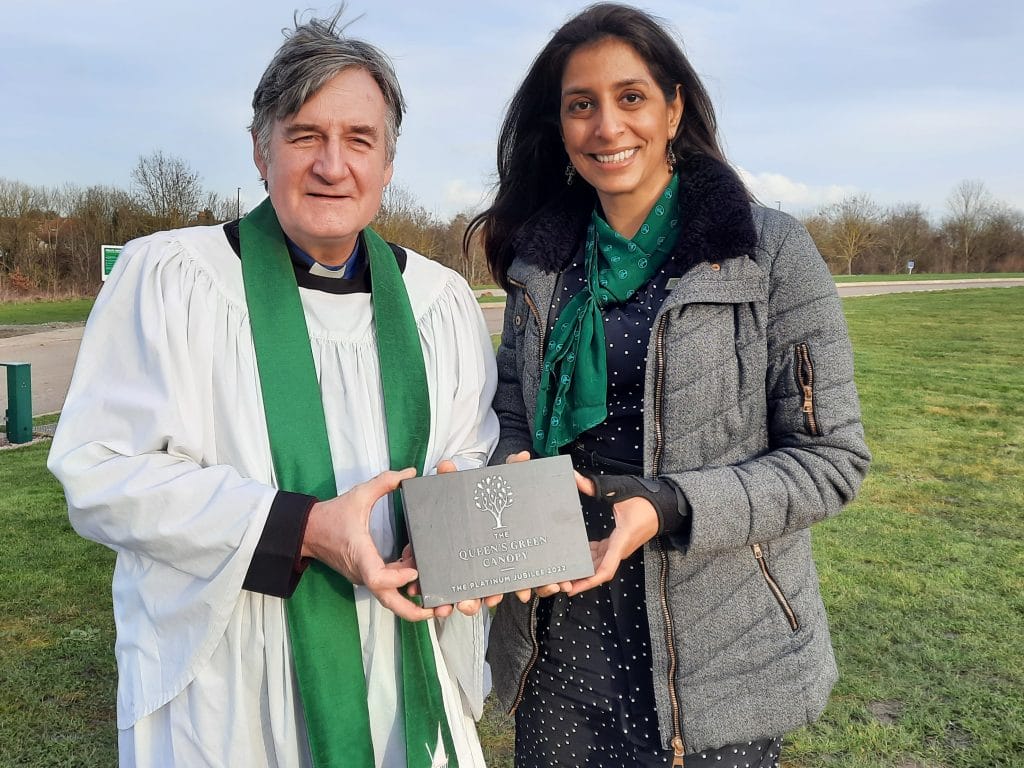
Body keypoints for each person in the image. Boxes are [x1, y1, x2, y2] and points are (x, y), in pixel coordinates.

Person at [48, 10, 498, 768]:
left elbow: (469, 453)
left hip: (399, 655)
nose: (332, 165)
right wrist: (297, 528)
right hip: (232, 681)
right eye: (304, 136)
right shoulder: (173, 279)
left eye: (359, 140)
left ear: (388, 164)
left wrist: (465, 522)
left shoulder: (439, 302)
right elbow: (99, 472)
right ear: (261, 150)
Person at [467, 3, 871, 767]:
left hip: (718, 651)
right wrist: (506, 480)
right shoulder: (537, 265)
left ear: (673, 105)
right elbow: (513, 418)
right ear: (559, 125)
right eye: (580, 105)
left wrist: (670, 505)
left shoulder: (770, 252)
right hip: (560, 643)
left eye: (630, 97)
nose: (606, 126)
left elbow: (831, 460)